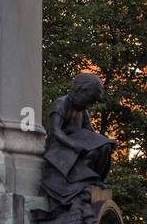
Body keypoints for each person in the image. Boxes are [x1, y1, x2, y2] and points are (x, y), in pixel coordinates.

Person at [41, 73, 117, 209]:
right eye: (89, 100)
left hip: (74, 149)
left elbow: (90, 133)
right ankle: (79, 182)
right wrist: (73, 145)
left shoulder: (83, 111)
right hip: (59, 150)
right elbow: (55, 130)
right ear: (80, 91)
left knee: (104, 147)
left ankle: (94, 180)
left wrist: (106, 142)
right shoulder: (61, 103)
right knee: (94, 150)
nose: (90, 105)